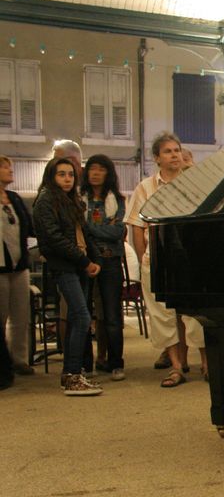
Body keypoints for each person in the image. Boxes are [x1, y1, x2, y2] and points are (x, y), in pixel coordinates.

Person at [125, 132, 207, 388]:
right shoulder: (146, 187)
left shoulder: (194, 183)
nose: (175, 155)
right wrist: (143, 257)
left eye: (177, 150)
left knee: (195, 314)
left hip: (190, 258)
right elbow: (137, 226)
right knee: (163, 315)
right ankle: (176, 366)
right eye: (169, 151)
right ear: (157, 158)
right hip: (157, 258)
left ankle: (206, 363)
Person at [33, 158, 102, 396]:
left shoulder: (72, 200)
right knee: (82, 317)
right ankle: (72, 375)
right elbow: (54, 239)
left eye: (71, 175)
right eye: (61, 174)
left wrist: (94, 260)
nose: (67, 179)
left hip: (79, 264)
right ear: (52, 176)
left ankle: (72, 374)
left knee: (77, 317)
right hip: (65, 265)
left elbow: (84, 233)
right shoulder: (46, 200)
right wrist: (85, 261)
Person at [82, 155, 127, 381]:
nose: (96, 173)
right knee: (83, 314)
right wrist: (100, 229)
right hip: (84, 261)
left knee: (112, 314)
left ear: (108, 173)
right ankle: (86, 365)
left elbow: (119, 232)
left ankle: (116, 363)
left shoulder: (117, 199)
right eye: (92, 169)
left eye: (101, 169)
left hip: (110, 261)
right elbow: (76, 229)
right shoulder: (78, 200)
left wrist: (89, 229)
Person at [0, 155, 35, 376]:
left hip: (20, 264)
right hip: (0, 267)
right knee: (1, 316)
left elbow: (28, 227)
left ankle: (20, 359)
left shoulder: (14, 198)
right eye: (4, 167)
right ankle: (3, 363)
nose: (9, 170)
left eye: (9, 166)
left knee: (21, 315)